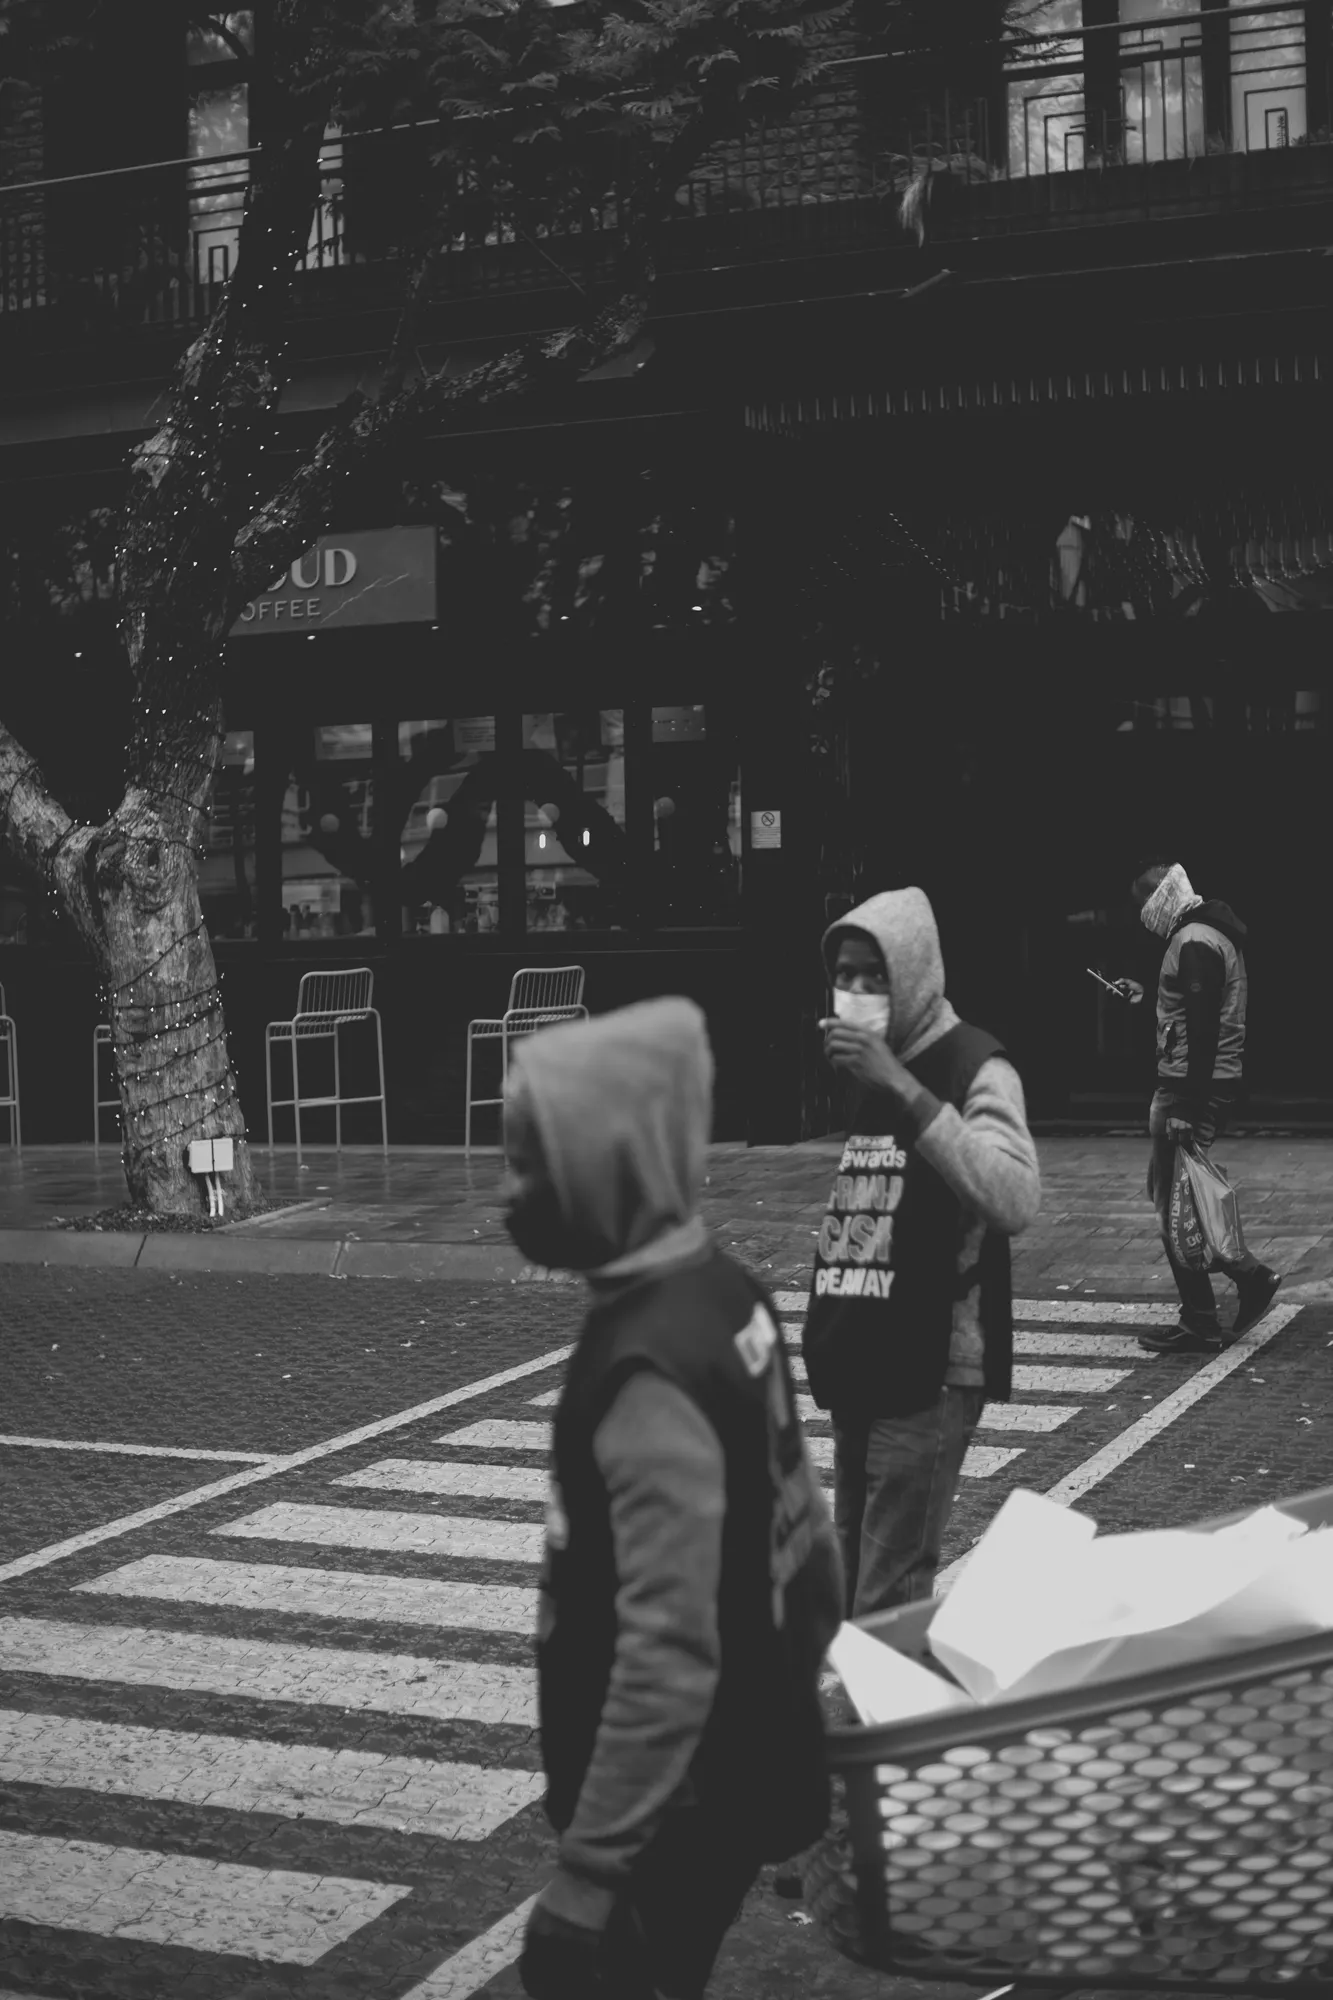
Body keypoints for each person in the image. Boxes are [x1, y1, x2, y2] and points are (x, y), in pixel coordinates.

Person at [504, 997, 843, 2000]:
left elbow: (667, 1647)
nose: (509, 1190)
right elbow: (807, 1535)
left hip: (674, 1812)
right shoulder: (725, 1291)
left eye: (532, 1160)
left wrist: (589, 1867)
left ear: (605, 1166)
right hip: (736, 1770)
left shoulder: (646, 1367)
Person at [802, 887, 1041, 1619]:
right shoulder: (875, 1071)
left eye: (874, 976)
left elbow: (1013, 1197)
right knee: (850, 1575)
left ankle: (892, 1729)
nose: (856, 992)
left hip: (932, 1363)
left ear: (912, 975)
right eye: (844, 976)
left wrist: (905, 1091)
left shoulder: (972, 1066)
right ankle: (864, 1724)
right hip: (864, 1353)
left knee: (888, 1593)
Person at [1131, 860, 1281, 1354]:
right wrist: (1144, 998)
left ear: (1161, 899)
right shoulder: (1208, 933)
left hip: (1189, 1089)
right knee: (1179, 1196)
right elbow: (1191, 1012)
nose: (1144, 919)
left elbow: (1201, 1030)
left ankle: (1208, 1311)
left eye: (1144, 907)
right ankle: (1241, 1282)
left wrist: (1187, 1108)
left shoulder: (1194, 941)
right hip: (1198, 1082)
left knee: (1176, 1204)